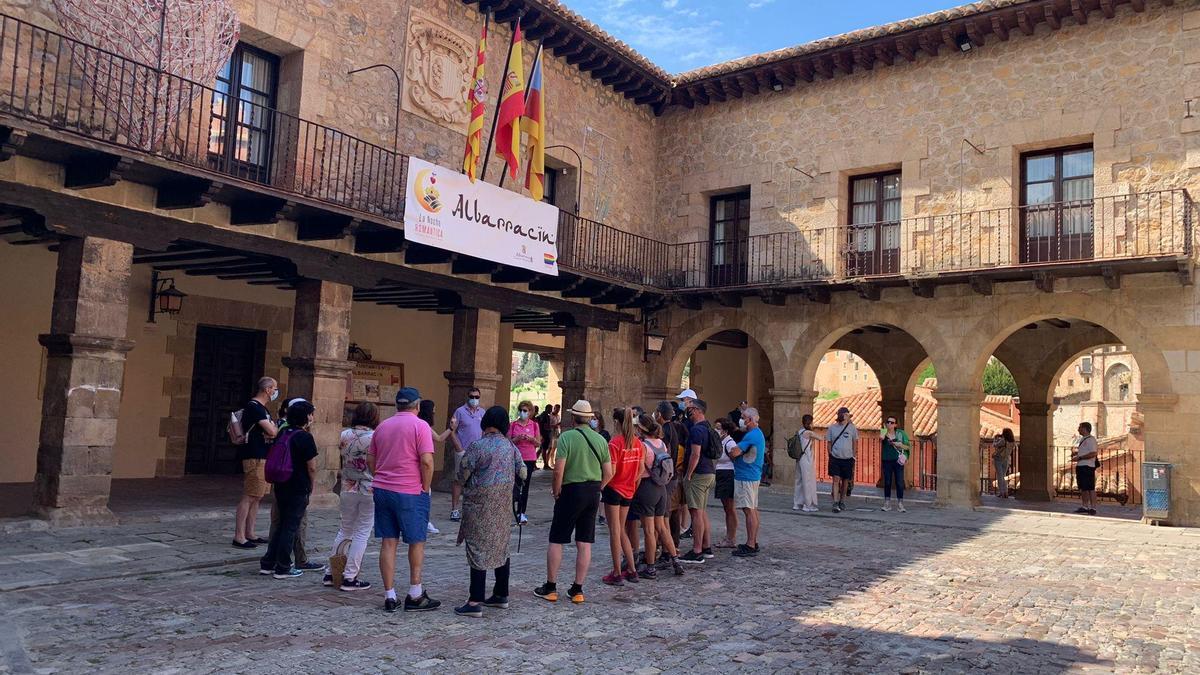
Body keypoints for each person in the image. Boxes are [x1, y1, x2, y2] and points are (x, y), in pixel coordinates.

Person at [369, 387, 440, 613]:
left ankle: (390, 595)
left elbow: (371, 458)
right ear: (417, 406)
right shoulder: (421, 426)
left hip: (382, 488)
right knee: (416, 540)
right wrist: (425, 487)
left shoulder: (382, 426)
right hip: (410, 490)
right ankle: (415, 592)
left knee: (388, 542)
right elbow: (427, 461)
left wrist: (379, 476)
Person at [534, 400, 612, 605]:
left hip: (571, 489)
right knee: (585, 541)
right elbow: (609, 472)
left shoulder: (567, 437)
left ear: (573, 417)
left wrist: (556, 489)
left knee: (557, 538)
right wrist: (599, 487)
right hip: (593, 491)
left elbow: (558, 469)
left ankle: (550, 587)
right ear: (590, 418)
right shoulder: (600, 440)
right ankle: (578, 589)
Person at [454, 406, 527, 618]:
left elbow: (463, 473)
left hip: (479, 505)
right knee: (501, 546)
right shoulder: (510, 447)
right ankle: (500, 594)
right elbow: (522, 471)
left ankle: (475, 600)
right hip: (502, 506)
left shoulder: (478, 446)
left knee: (478, 548)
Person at [322, 402, 378, 591]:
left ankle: (331, 572)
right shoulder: (375, 436)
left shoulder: (344, 434)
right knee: (362, 532)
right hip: (369, 487)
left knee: (344, 530)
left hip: (347, 485)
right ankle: (349, 576)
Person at [260, 397, 320, 573]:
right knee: (291, 526)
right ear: (306, 417)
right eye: (311, 414)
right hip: (297, 485)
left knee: (280, 525)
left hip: (281, 483)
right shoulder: (304, 437)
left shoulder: (283, 433)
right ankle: (283, 566)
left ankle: (268, 562)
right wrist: (311, 486)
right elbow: (312, 467)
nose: (312, 417)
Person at [630, 414, 684, 578]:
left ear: (640, 429)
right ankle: (675, 560)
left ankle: (650, 567)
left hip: (647, 488)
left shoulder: (642, 446)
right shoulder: (661, 444)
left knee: (648, 530)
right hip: (662, 488)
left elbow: (639, 471)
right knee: (661, 527)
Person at [601, 407, 645, 586]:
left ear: (617, 422)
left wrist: (600, 487)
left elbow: (610, 472)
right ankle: (632, 570)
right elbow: (641, 470)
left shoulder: (614, 443)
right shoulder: (638, 443)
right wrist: (632, 484)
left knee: (614, 531)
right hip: (628, 490)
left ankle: (617, 572)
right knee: (622, 531)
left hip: (613, 490)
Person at [233, 377, 279, 549]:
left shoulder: (261, 408)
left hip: (263, 455)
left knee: (257, 496)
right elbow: (271, 430)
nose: (275, 392)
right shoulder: (254, 407)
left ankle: (250, 532)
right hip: (255, 456)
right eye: (274, 388)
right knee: (249, 495)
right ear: (267, 389)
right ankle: (239, 535)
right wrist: (273, 429)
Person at [679, 400, 716, 564]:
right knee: (701, 512)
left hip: (698, 474)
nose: (688, 411)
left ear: (697, 410)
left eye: (690, 408)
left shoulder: (697, 430)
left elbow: (695, 454)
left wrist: (688, 474)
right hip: (708, 472)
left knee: (696, 513)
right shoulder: (708, 427)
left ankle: (697, 550)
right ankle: (706, 547)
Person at [727, 407, 765, 557]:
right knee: (753, 509)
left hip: (746, 476)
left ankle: (750, 544)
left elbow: (735, 452)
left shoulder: (751, 435)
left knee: (748, 510)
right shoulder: (757, 434)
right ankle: (753, 541)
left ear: (750, 419)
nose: (741, 419)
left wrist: (731, 452)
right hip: (753, 474)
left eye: (743, 417)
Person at [418, 399, 458, 535]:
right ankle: (424, 521)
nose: (435, 410)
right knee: (425, 492)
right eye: (433, 408)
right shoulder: (424, 426)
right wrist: (451, 428)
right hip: (422, 464)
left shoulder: (421, 425)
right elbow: (439, 438)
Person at [449, 387, 486, 522]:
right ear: (467, 396)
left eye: (477, 397)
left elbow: (484, 431)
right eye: (472, 396)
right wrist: (458, 448)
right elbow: (452, 430)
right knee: (459, 480)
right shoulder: (459, 411)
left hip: (478, 451)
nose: (474, 399)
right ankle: (454, 509)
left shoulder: (482, 412)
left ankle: (472, 510)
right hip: (463, 450)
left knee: (476, 480)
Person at [508, 400, 541, 525]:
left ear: (530, 412)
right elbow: (508, 441)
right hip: (516, 457)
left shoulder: (534, 425)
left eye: (525, 411)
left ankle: (522, 512)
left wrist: (531, 439)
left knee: (525, 486)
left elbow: (538, 443)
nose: (523, 413)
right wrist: (517, 439)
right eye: (521, 410)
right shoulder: (513, 425)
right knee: (515, 484)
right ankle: (513, 507)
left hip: (529, 458)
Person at [713, 418, 739, 548]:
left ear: (725, 430)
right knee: (726, 508)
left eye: (718, 427)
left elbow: (735, 457)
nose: (716, 430)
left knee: (730, 508)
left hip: (728, 475)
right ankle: (729, 536)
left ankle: (731, 538)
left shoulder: (729, 443)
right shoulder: (721, 442)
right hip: (721, 474)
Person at [827, 406, 859, 513]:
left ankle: (842, 500)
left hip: (848, 458)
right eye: (844, 415)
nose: (845, 417)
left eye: (847, 415)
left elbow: (855, 442)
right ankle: (835, 502)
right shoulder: (832, 428)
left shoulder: (852, 428)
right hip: (835, 457)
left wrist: (854, 455)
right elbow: (829, 442)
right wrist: (830, 453)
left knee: (846, 480)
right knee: (836, 479)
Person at [880, 416, 911, 513]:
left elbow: (907, 447)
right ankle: (887, 503)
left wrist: (900, 445)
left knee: (899, 482)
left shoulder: (901, 434)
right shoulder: (884, 432)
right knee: (887, 482)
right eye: (888, 422)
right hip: (887, 460)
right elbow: (880, 439)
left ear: (896, 425)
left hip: (897, 461)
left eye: (892, 422)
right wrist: (883, 433)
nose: (889, 424)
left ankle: (900, 504)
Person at [792, 414, 820, 512]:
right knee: (807, 481)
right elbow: (821, 438)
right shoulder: (808, 433)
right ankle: (807, 504)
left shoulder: (799, 431)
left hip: (799, 458)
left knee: (799, 481)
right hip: (806, 459)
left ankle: (797, 503)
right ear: (810, 422)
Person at [1071, 422, 1099, 515]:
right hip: (1081, 466)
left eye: (1080, 427)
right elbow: (1087, 451)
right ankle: (1085, 506)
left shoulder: (1091, 440)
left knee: (1090, 487)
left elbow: (1093, 453)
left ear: (1085, 428)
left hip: (1087, 466)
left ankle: (1093, 507)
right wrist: (1077, 453)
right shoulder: (1084, 439)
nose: (1078, 429)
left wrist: (1079, 457)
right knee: (1083, 487)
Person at [992, 428, 1016, 499]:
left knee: (1000, 477)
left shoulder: (1003, 441)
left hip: (998, 459)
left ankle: (1002, 492)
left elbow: (994, 445)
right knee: (1003, 476)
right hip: (1006, 460)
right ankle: (1005, 492)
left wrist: (995, 439)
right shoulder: (1012, 442)